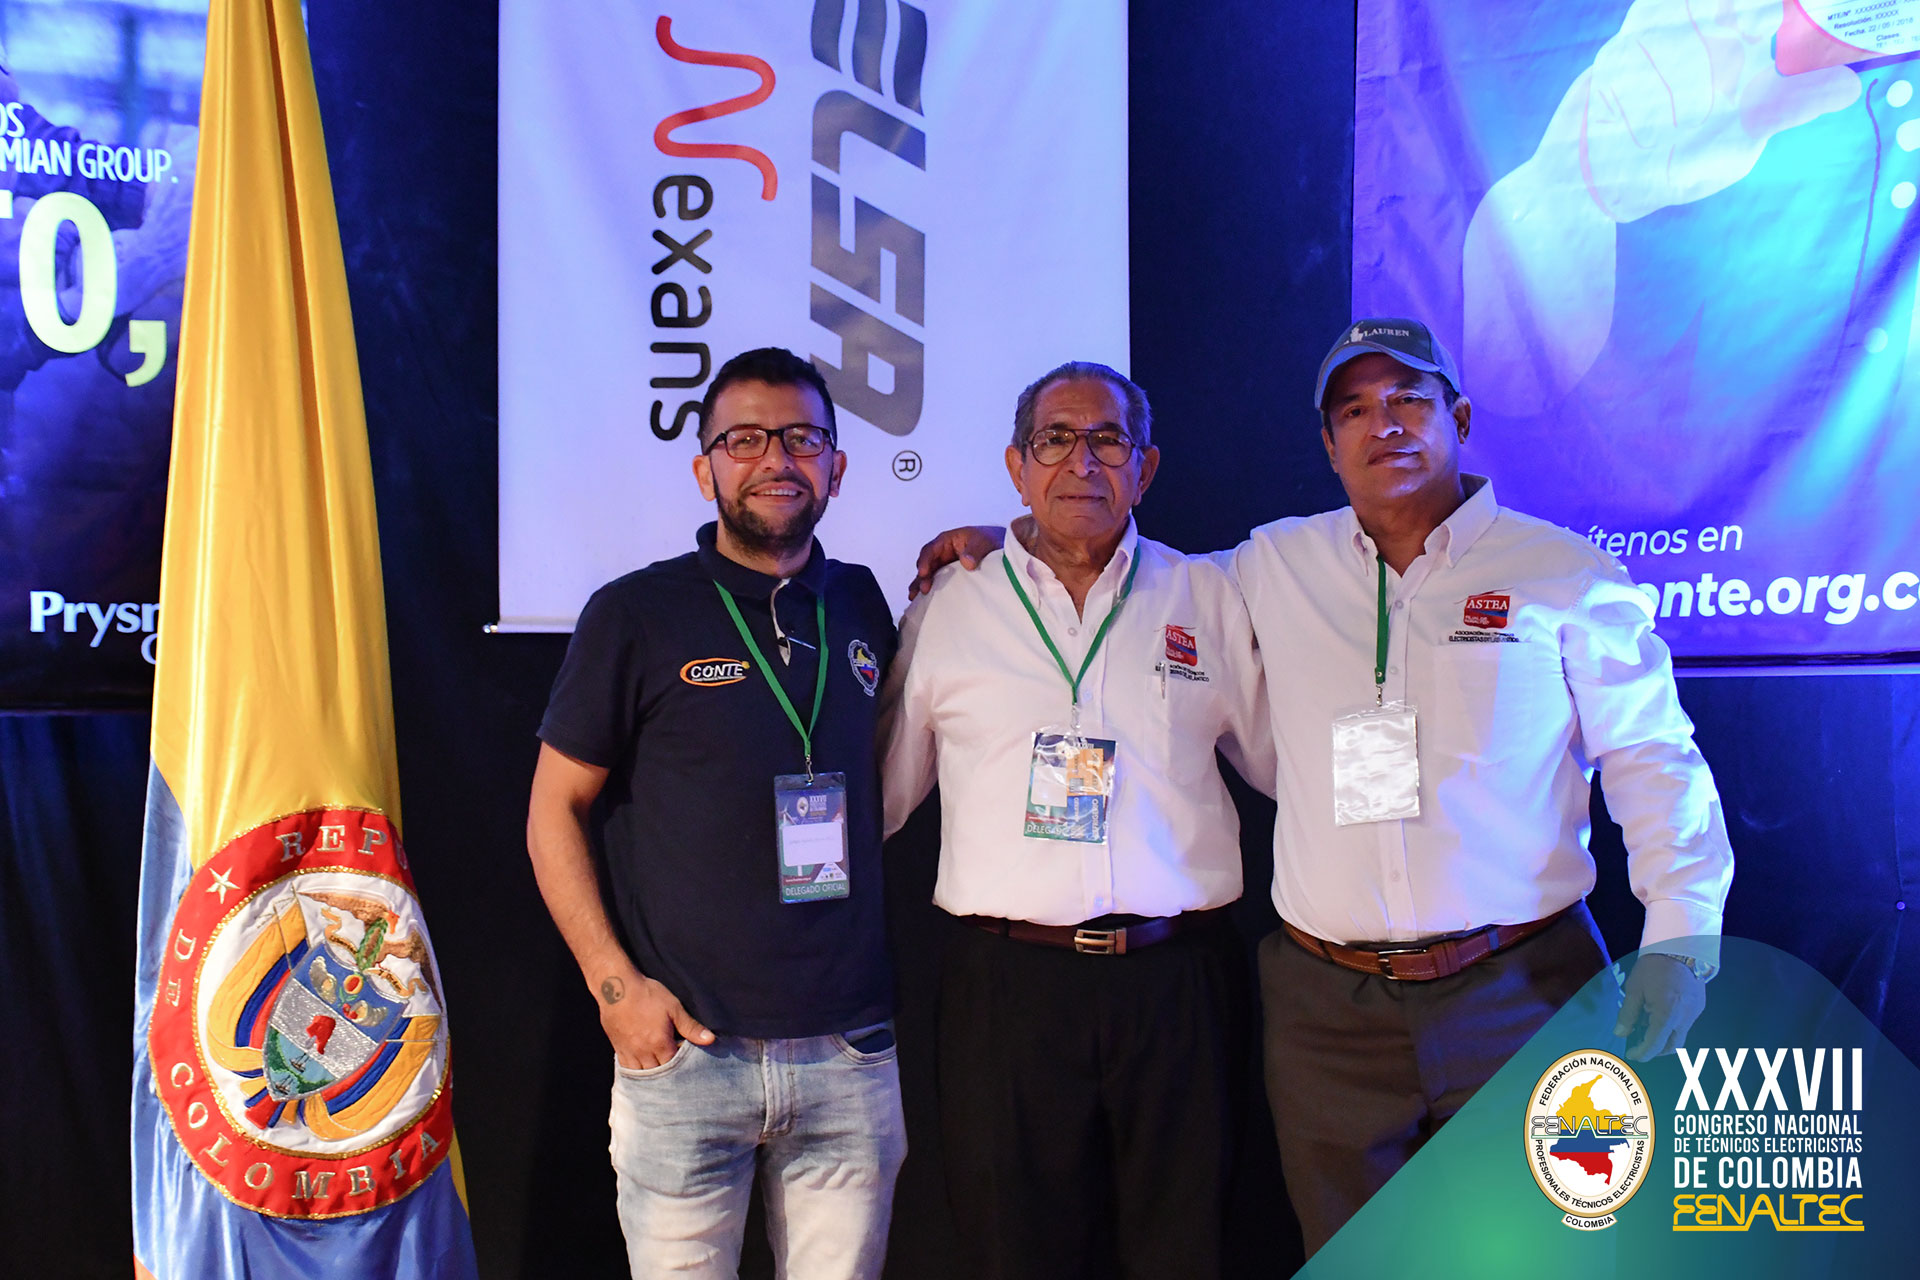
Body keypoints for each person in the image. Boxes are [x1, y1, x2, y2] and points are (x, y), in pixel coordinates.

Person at [911, 320, 1735, 1256]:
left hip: (1523, 988)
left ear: (1461, 418)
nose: (1384, 424)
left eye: (1409, 399)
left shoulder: (1562, 573)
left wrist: (1681, 938)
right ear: (1328, 444)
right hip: (1329, 1017)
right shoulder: (1272, 565)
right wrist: (1019, 540)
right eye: (1354, 410)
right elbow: (1119, 573)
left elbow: (1654, 757)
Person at [879, 361, 1273, 1280]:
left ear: (1147, 466)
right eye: (1055, 439)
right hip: (1006, 991)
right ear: (1017, 466)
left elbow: (1278, 767)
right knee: (1013, 1254)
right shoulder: (951, 607)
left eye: (1108, 441)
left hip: (1177, 985)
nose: (1081, 463)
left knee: (1186, 1252)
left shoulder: (1207, 596)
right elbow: (884, 798)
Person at [526, 347, 904, 1279]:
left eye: (803, 438)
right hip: (688, 1055)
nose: (776, 458)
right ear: (705, 469)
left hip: (849, 1053)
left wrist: (987, 540)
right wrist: (618, 992)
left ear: (837, 466)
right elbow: (552, 812)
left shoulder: (861, 601)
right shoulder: (634, 615)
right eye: (745, 439)